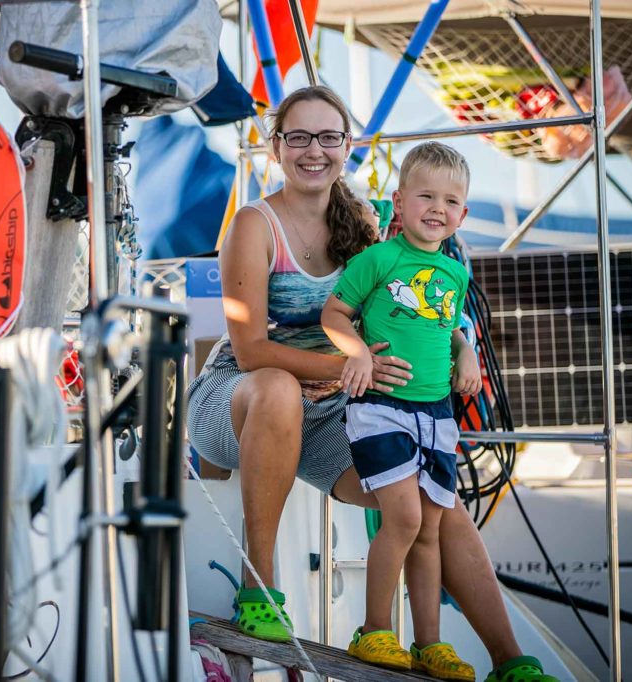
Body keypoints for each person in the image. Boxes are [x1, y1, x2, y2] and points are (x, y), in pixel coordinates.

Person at [186, 85, 558, 682]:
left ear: (346, 146)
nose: (314, 150)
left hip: (332, 405)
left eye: (328, 137)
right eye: (299, 137)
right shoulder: (254, 225)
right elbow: (252, 350)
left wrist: (463, 347)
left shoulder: (363, 222)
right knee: (278, 387)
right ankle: (259, 594)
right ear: (276, 147)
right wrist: (348, 369)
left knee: (433, 502)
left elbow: (418, 309)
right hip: (242, 398)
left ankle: (511, 661)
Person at [321, 141, 479, 680]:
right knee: (405, 517)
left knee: (431, 527)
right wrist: (358, 353)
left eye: (450, 201)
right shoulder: (378, 259)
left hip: (437, 413)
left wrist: (466, 352)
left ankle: (429, 644)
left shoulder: (455, 273)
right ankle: (374, 630)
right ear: (401, 200)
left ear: (463, 214)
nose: (437, 209)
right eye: (426, 196)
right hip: (381, 409)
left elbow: (448, 326)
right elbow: (334, 314)